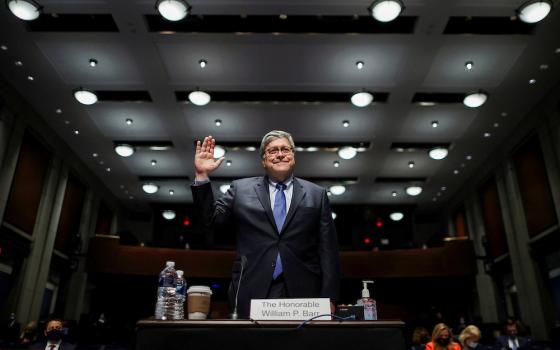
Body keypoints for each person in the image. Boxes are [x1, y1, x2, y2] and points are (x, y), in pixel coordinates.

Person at [191, 131, 340, 317]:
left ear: (293, 156)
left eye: (285, 149)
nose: (280, 154)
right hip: (252, 289)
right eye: (273, 150)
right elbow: (210, 220)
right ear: (263, 160)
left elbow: (328, 251)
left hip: (304, 292)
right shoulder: (240, 189)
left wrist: (330, 298)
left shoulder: (316, 194)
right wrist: (202, 175)